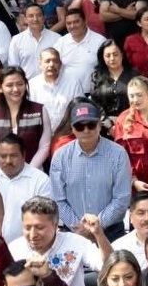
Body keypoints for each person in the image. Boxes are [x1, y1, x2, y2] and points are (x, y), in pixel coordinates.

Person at [51, 101, 132, 239]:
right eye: (80, 126)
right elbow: (58, 200)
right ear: (72, 129)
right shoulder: (60, 156)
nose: (86, 130)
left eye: (91, 125)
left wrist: (97, 226)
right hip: (74, 232)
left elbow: (122, 198)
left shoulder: (118, 154)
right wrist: (78, 227)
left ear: (99, 125)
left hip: (111, 232)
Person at [0, 66, 52, 170]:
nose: (15, 89)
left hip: (34, 173)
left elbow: (44, 148)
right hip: (0, 174)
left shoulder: (39, 110)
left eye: (20, 84)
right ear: (0, 87)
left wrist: (29, 171)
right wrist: (0, 172)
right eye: (9, 85)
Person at [7, 4, 60, 80]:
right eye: (31, 16)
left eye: (39, 15)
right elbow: (14, 67)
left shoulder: (57, 38)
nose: (35, 19)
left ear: (44, 17)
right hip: (27, 84)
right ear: (25, 19)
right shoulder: (16, 40)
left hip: (53, 83)